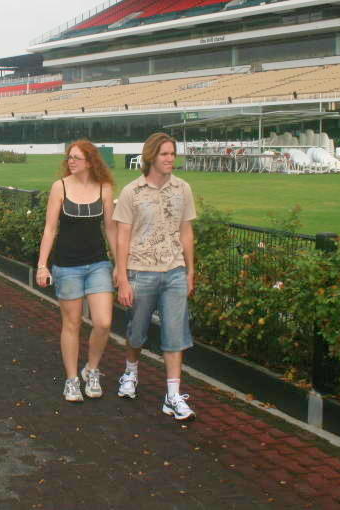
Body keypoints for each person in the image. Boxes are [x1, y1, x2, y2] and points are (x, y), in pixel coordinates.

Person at [113, 132, 197, 421]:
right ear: (151, 157)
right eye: (165, 154)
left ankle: (173, 396)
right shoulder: (131, 193)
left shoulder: (183, 189)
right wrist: (123, 278)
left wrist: (190, 270)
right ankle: (130, 372)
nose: (170, 159)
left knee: (175, 334)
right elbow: (122, 237)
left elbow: (186, 231)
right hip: (141, 271)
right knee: (137, 332)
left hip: (174, 271)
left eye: (173, 153)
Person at [35, 140, 117, 403]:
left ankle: (91, 369)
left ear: (90, 162)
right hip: (67, 265)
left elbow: (110, 229)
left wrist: (120, 265)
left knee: (103, 322)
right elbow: (50, 228)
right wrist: (42, 265)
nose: (71, 161)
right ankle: (71, 380)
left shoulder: (104, 188)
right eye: (69, 157)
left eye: (77, 158)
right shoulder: (59, 187)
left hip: (98, 263)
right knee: (72, 324)